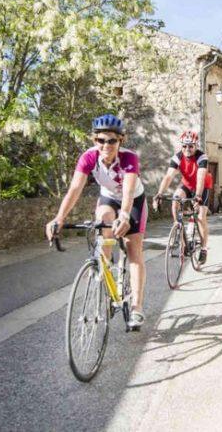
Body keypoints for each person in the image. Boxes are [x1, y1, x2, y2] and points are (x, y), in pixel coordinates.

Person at [46, 114, 147, 329]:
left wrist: (125, 216)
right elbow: (74, 189)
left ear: (121, 141)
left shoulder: (129, 159)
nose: (106, 145)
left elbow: (129, 191)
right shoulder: (88, 157)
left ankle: (137, 307)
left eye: (112, 140)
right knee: (102, 220)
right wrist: (59, 218)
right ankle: (105, 275)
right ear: (94, 140)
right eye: (101, 140)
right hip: (109, 198)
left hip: (134, 201)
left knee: (133, 249)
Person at [152, 130, 213, 264]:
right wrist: (160, 193)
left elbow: (201, 177)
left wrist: (197, 196)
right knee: (175, 199)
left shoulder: (202, 157)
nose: (187, 149)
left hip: (202, 187)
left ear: (196, 146)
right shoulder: (177, 157)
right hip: (186, 184)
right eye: (184, 146)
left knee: (201, 217)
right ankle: (178, 228)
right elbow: (169, 176)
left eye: (190, 146)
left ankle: (203, 249)